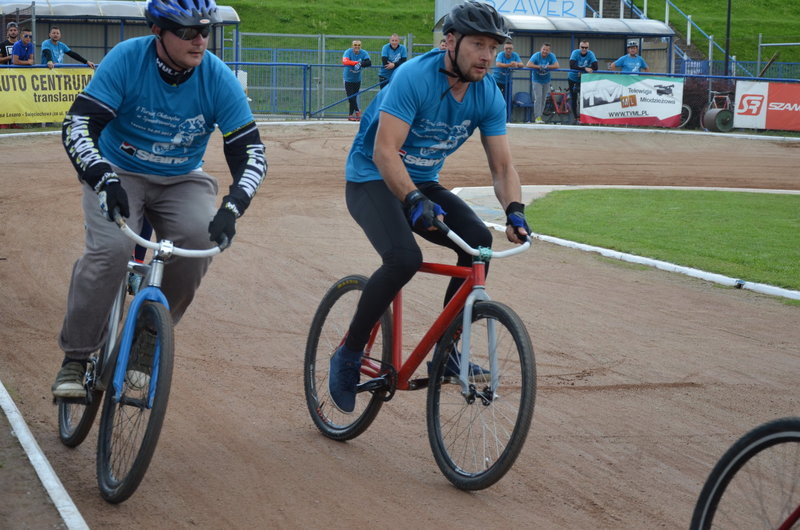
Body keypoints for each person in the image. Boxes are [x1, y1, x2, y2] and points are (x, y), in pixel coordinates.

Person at [51, 0, 268, 398]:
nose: (199, 40)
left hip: (182, 178)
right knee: (111, 251)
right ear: (157, 32)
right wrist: (101, 176)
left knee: (199, 242)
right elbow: (78, 124)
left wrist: (234, 205)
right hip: (119, 172)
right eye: (187, 31)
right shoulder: (127, 59)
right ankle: (76, 358)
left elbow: (251, 152)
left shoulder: (218, 78)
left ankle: (148, 338)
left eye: (205, 30)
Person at [330, 0, 530, 414]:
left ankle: (447, 352)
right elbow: (385, 152)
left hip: (421, 182)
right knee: (404, 258)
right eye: (478, 45)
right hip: (371, 177)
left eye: (494, 47)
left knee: (478, 243)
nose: (487, 56)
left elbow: (502, 166)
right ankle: (348, 354)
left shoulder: (487, 94)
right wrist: (412, 199)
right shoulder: (413, 77)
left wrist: (514, 209)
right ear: (450, 42)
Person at [525, 43, 559, 124]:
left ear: (549, 51)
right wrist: (539, 66)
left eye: (547, 50)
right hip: (536, 80)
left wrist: (547, 67)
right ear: (541, 49)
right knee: (538, 98)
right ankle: (537, 117)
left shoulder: (551, 56)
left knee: (544, 99)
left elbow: (557, 65)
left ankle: (540, 116)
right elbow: (528, 64)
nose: (545, 51)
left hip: (546, 80)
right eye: (543, 49)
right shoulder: (536, 55)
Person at [567, 39, 598, 121]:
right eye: (582, 47)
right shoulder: (575, 52)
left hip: (584, 79)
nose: (584, 49)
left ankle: (584, 117)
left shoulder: (590, 54)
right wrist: (585, 68)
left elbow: (595, 66)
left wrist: (583, 69)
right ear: (579, 47)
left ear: (588, 48)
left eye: (586, 47)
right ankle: (575, 117)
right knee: (574, 98)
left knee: (584, 98)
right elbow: (572, 65)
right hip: (572, 78)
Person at [342, 40, 371, 121]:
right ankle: (358, 111)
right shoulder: (348, 52)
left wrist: (360, 64)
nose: (357, 47)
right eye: (355, 45)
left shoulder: (363, 53)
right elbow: (345, 61)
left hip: (357, 79)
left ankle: (350, 115)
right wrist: (355, 63)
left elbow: (368, 62)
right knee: (350, 97)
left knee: (354, 97)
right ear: (352, 46)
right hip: (348, 78)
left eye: (358, 45)